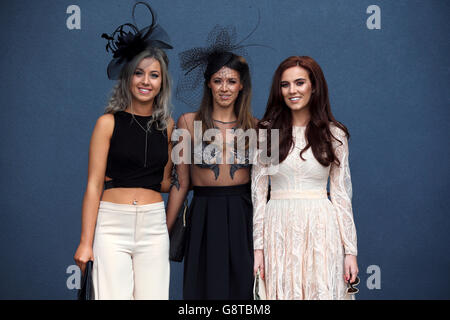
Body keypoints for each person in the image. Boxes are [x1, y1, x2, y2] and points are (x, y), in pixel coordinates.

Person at [73, 2, 174, 300]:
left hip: (154, 225)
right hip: (112, 224)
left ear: (162, 82)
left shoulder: (167, 126)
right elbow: (93, 184)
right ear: (128, 77)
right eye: (139, 73)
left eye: (154, 75)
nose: (146, 81)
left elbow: (166, 182)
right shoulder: (107, 123)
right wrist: (85, 242)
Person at [252, 56, 359, 300]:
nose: (292, 91)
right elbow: (257, 193)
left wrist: (350, 252)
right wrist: (258, 249)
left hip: (321, 229)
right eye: (285, 84)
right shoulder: (266, 133)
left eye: (299, 83)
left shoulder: (335, 134)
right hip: (277, 229)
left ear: (314, 86)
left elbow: (342, 195)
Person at [166, 25, 258, 299]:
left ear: (242, 85)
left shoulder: (257, 126)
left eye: (231, 81)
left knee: (244, 290)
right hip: (204, 213)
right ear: (208, 82)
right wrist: (160, 234)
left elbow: (266, 189)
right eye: (218, 80)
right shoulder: (187, 122)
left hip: (244, 214)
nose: (225, 88)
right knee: (204, 288)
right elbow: (180, 184)